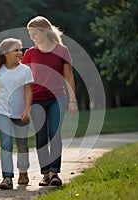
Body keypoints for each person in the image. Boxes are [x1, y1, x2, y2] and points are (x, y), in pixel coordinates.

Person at [22, 16, 78, 186]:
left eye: (34, 34)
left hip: (57, 98)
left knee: (55, 134)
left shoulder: (62, 51)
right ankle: (45, 174)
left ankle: (55, 173)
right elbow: (24, 80)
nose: (32, 38)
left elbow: (69, 76)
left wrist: (73, 100)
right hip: (37, 100)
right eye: (30, 35)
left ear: (44, 32)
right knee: (40, 137)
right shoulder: (30, 53)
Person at [0, 38, 34, 190]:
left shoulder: (25, 70)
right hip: (2, 112)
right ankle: (7, 177)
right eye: (16, 50)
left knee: (22, 145)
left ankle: (23, 171)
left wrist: (27, 109)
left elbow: (28, 91)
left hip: (21, 113)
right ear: (6, 53)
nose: (21, 52)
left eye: (21, 49)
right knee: (6, 144)